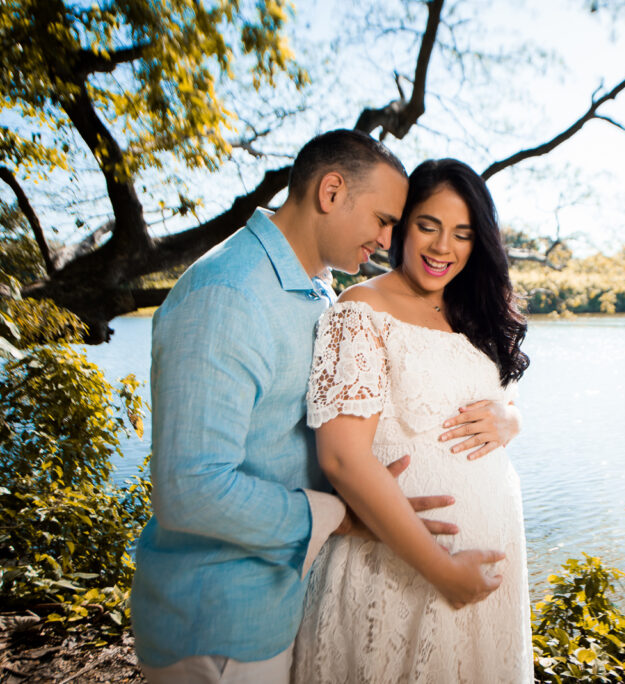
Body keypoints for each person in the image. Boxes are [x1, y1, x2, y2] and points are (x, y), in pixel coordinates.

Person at [131, 131, 521, 683]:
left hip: (281, 595)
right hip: (218, 620)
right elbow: (191, 490)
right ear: (332, 191)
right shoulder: (228, 294)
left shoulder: (311, 288)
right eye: (390, 220)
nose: (390, 238)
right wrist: (342, 516)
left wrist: (511, 416)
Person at [292, 159, 532, 683]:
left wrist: (512, 419)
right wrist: (441, 570)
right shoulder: (360, 309)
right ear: (401, 225)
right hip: (399, 576)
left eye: (463, 233)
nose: (443, 246)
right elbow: (341, 457)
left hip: (489, 582)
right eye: (429, 225)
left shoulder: (475, 316)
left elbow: (496, 401)